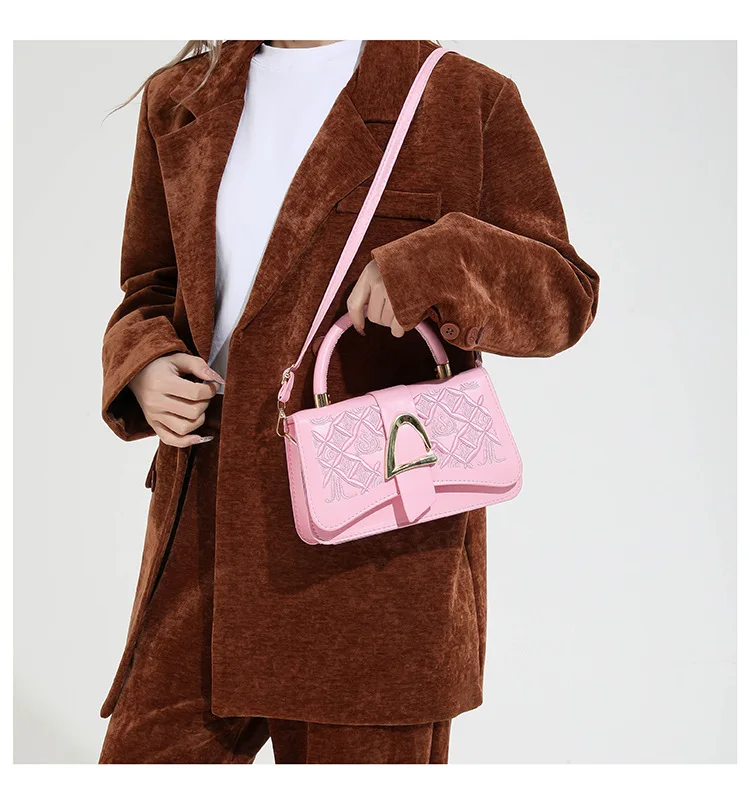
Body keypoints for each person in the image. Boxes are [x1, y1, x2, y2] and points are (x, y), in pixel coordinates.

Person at [98, 39, 599, 764]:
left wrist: (435, 263)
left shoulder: (462, 97)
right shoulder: (181, 97)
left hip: (376, 564)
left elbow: (564, 296)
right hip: (203, 538)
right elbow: (150, 287)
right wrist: (144, 364)